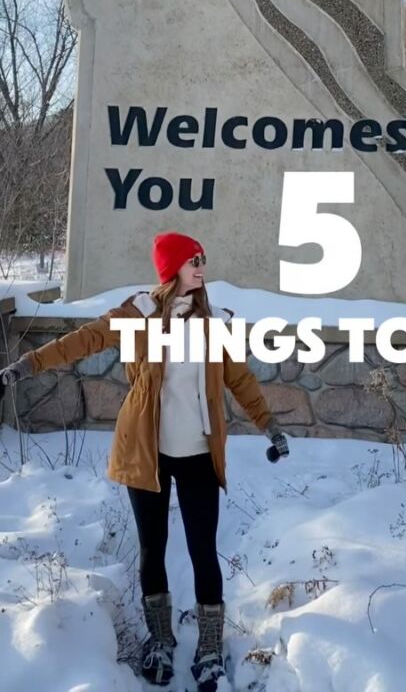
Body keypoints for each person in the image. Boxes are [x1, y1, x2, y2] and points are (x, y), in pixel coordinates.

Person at [0, 231, 290, 691]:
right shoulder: (141, 316)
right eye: (194, 260)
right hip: (146, 452)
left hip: (197, 454)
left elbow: (241, 378)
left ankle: (210, 648)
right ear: (171, 268)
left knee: (202, 551)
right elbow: (85, 339)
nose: (201, 267)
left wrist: (269, 426)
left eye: (203, 259)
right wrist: (29, 364)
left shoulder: (212, 323)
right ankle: (160, 641)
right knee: (152, 548)